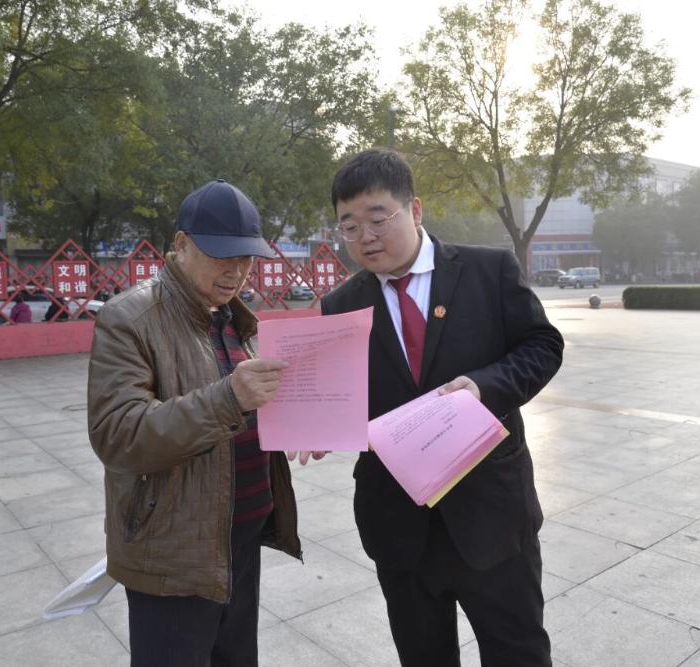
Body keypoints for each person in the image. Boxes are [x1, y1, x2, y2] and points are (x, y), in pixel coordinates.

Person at [315, 149, 564, 665]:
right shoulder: (341, 305)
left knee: (518, 653)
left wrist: (485, 387)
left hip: (491, 517)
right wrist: (319, 424)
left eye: (377, 218)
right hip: (399, 525)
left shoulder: (488, 271)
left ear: (415, 209)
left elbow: (543, 346)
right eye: (349, 226)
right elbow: (339, 394)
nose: (365, 237)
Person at [87, 179, 300, 666]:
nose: (236, 270)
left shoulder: (232, 318)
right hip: (174, 552)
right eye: (221, 254)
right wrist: (230, 397)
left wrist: (291, 424)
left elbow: (240, 416)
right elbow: (119, 434)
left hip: (240, 539)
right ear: (180, 245)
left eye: (246, 258)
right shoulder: (130, 319)